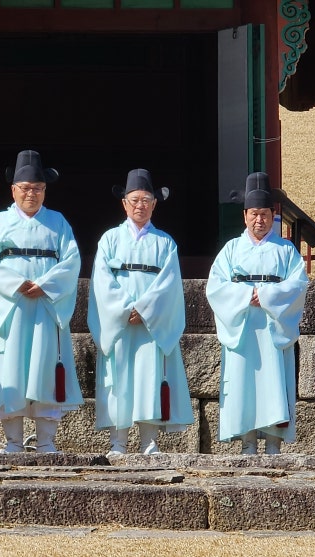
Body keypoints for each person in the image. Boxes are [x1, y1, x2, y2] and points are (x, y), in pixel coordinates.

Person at [0, 149, 83, 453]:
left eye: (37, 188)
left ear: (45, 191)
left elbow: (71, 261)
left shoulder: (58, 222)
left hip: (45, 306)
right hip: (11, 307)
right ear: (13, 190)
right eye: (25, 188)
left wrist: (46, 285)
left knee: (46, 368)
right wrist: (15, 283)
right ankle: (13, 441)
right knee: (13, 368)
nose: (31, 194)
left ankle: (47, 440)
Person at [87, 168, 194, 457]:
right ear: (124, 202)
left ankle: (149, 442)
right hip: (119, 323)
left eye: (146, 200)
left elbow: (169, 285)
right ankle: (118, 443)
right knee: (117, 378)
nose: (140, 205)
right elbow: (102, 281)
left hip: (151, 325)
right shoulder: (109, 240)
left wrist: (145, 310)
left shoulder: (165, 243)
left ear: (155, 204)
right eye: (134, 199)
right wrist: (124, 310)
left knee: (150, 376)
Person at [206, 171, 308, 455]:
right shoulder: (231, 250)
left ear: (272, 215)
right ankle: (248, 442)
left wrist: (264, 295)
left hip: (273, 326)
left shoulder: (286, 251)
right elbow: (215, 287)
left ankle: (274, 443)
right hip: (243, 326)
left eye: (264, 214)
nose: (259, 220)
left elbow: (298, 285)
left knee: (274, 382)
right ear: (245, 216)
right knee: (243, 383)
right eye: (253, 214)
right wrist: (244, 295)